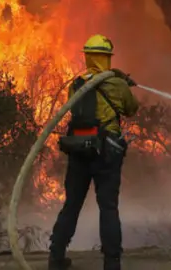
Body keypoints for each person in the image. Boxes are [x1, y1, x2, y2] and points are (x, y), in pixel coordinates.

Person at [48, 34, 139, 270]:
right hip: (106, 152)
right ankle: (112, 263)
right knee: (108, 206)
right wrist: (123, 85)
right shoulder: (116, 84)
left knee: (72, 204)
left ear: (88, 57)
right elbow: (131, 109)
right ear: (107, 58)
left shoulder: (77, 84)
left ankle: (56, 257)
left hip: (79, 150)